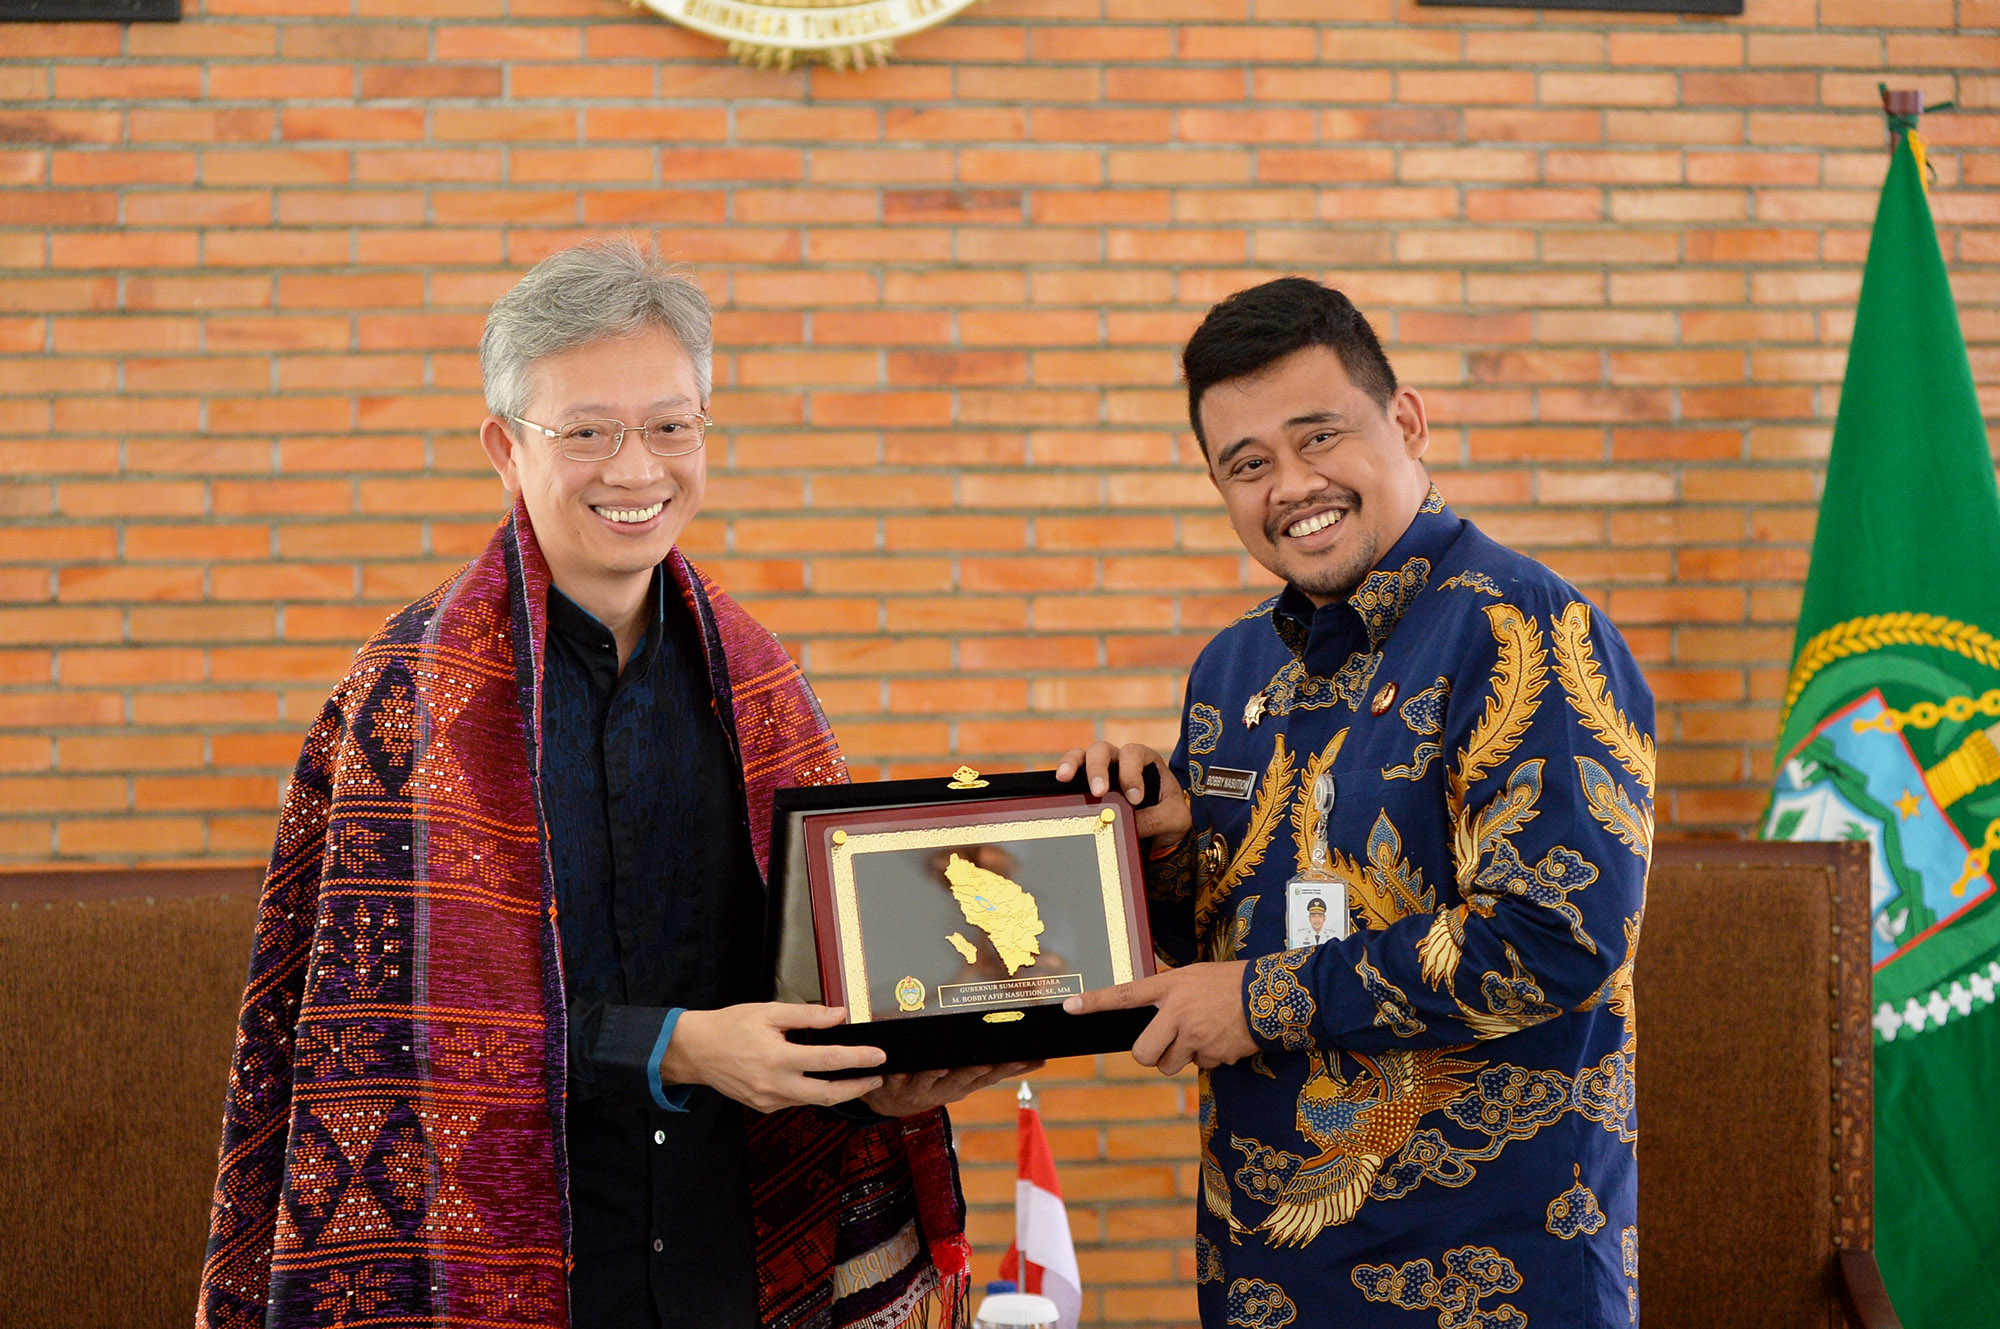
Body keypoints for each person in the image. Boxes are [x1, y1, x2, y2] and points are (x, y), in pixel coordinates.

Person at [197, 237, 1026, 1329]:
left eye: (671, 427)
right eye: (586, 432)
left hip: (733, 1254)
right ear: (506, 448)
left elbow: (812, 977)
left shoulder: (763, 686)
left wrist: (882, 1072)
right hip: (485, 1263)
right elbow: (381, 1028)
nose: (637, 471)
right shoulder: (410, 694)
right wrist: (673, 1045)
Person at [1059, 277, 1653, 1328]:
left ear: (1407, 422)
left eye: (1318, 436)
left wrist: (1257, 1003)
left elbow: (1558, 935)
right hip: (1264, 1271)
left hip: (1492, 1275)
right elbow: (1219, 947)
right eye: (1247, 464)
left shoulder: (1522, 628)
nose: (1292, 485)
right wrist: (1158, 847)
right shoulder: (1232, 672)